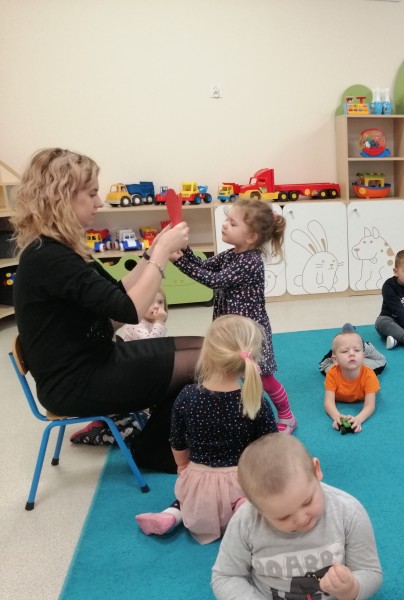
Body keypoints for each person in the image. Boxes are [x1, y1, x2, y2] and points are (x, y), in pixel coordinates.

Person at [11, 148, 202, 473]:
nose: (99, 202)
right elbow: (130, 310)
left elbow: (115, 293)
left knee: (210, 352)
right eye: (92, 193)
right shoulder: (50, 258)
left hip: (95, 361)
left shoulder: (57, 249)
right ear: (62, 197)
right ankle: (154, 450)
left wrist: (151, 253)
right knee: (208, 363)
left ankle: (160, 441)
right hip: (77, 382)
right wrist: (161, 255)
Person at [135, 315, 278, 544]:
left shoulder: (187, 395)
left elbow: (177, 440)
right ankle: (242, 507)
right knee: (262, 491)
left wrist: (183, 466)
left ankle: (170, 515)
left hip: (199, 485)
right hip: (242, 481)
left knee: (185, 498)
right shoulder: (253, 399)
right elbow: (271, 446)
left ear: (207, 354)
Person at [172, 198, 296, 433]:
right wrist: (184, 250)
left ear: (251, 237)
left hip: (248, 332)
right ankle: (246, 411)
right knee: (231, 371)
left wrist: (180, 261)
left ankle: (287, 415)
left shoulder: (250, 262)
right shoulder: (232, 254)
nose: (225, 225)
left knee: (263, 377)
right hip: (231, 328)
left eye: (232, 223)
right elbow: (205, 266)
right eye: (227, 220)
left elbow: (214, 280)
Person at [211, 434, 383, 599]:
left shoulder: (348, 512)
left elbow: (370, 571)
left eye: (307, 502)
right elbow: (226, 576)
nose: (302, 519)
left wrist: (352, 588)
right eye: (283, 517)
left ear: (316, 470)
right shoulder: (245, 522)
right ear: (257, 508)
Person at [70, 288, 169, 445]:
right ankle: (95, 433)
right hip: (127, 380)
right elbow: (151, 345)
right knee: (146, 430)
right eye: (150, 302)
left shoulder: (150, 324)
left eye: (160, 302)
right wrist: (159, 323)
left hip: (135, 374)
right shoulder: (135, 324)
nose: (157, 306)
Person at [323, 330, 380, 433]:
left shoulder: (369, 376)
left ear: (363, 357)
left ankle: (369, 348)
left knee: (381, 361)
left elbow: (370, 405)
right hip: (332, 367)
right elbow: (328, 402)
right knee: (323, 366)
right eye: (345, 351)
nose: (352, 354)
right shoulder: (332, 374)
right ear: (335, 360)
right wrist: (336, 416)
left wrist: (358, 419)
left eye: (357, 350)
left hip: (371, 368)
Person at [319, 323, 386, 376]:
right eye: (345, 351)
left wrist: (340, 349)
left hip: (349, 364)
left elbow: (323, 365)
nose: (351, 353)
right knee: (380, 360)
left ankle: (351, 346)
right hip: (360, 364)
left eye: (356, 350)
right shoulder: (368, 372)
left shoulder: (334, 373)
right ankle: (359, 345)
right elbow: (381, 360)